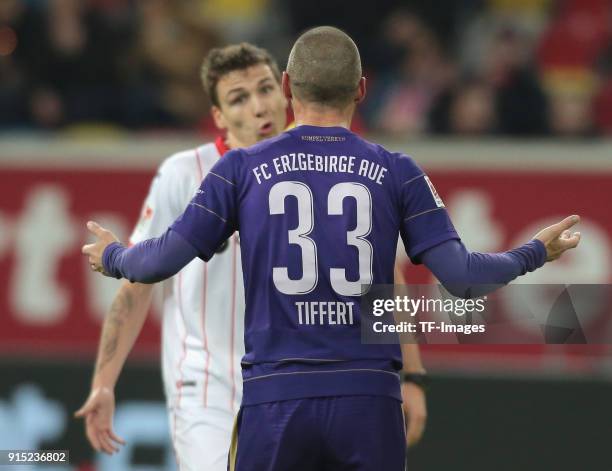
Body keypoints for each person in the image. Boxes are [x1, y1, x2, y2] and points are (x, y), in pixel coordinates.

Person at [82, 27, 580, 470]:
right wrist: (534, 251)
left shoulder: (237, 171)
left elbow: (156, 262)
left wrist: (111, 256)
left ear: (286, 88)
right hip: (368, 401)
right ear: (362, 90)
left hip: (275, 400)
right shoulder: (397, 171)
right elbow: (464, 275)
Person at [75, 43, 287, 470]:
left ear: (285, 93)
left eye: (265, 89)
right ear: (219, 117)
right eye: (239, 98)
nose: (259, 107)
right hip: (206, 391)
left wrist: (408, 377)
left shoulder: (320, 170)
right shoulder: (183, 174)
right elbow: (139, 283)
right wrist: (103, 382)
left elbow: (374, 275)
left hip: (295, 388)